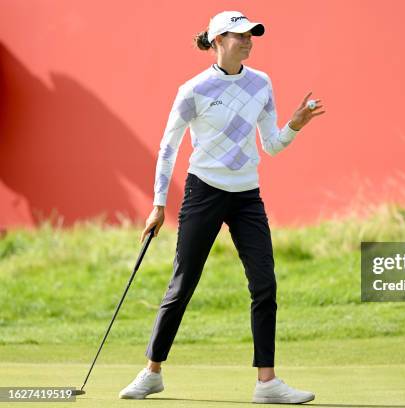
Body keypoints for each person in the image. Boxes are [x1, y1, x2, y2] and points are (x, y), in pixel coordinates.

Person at [118, 10, 324, 404]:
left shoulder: (261, 83)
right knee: (183, 283)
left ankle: (267, 383)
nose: (248, 41)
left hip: (247, 195)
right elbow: (168, 148)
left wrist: (295, 125)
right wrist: (159, 205)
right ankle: (152, 372)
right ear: (217, 41)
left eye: (251, 35)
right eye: (240, 35)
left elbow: (272, 145)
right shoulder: (193, 90)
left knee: (265, 284)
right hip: (204, 192)